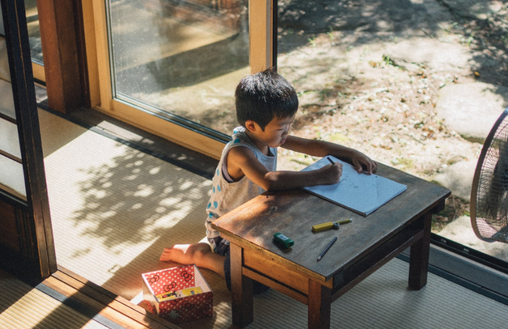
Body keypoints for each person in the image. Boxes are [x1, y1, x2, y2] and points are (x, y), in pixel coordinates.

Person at [160, 69, 376, 291]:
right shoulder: (240, 152)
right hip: (228, 232)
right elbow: (269, 180)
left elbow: (312, 145)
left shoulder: (269, 135)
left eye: (289, 125)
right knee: (258, 283)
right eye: (282, 128)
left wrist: (351, 153)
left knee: (300, 246)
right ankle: (201, 255)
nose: (287, 134)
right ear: (252, 126)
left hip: (258, 219)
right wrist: (320, 176)